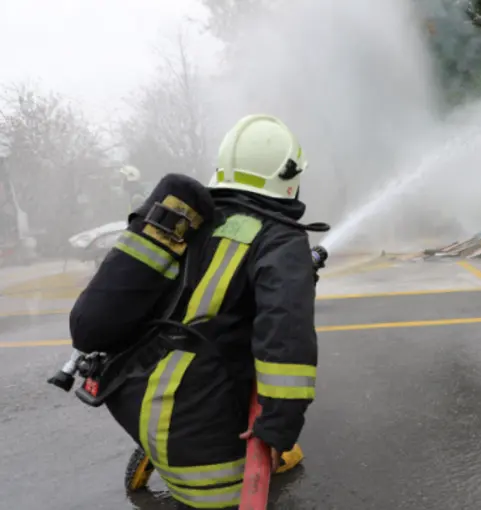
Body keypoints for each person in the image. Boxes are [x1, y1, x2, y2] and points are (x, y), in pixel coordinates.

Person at [69, 114, 327, 509]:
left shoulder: (190, 220)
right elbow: (286, 345)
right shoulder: (279, 239)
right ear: (288, 176)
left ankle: (159, 458)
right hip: (198, 437)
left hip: (133, 395)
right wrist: (278, 428)